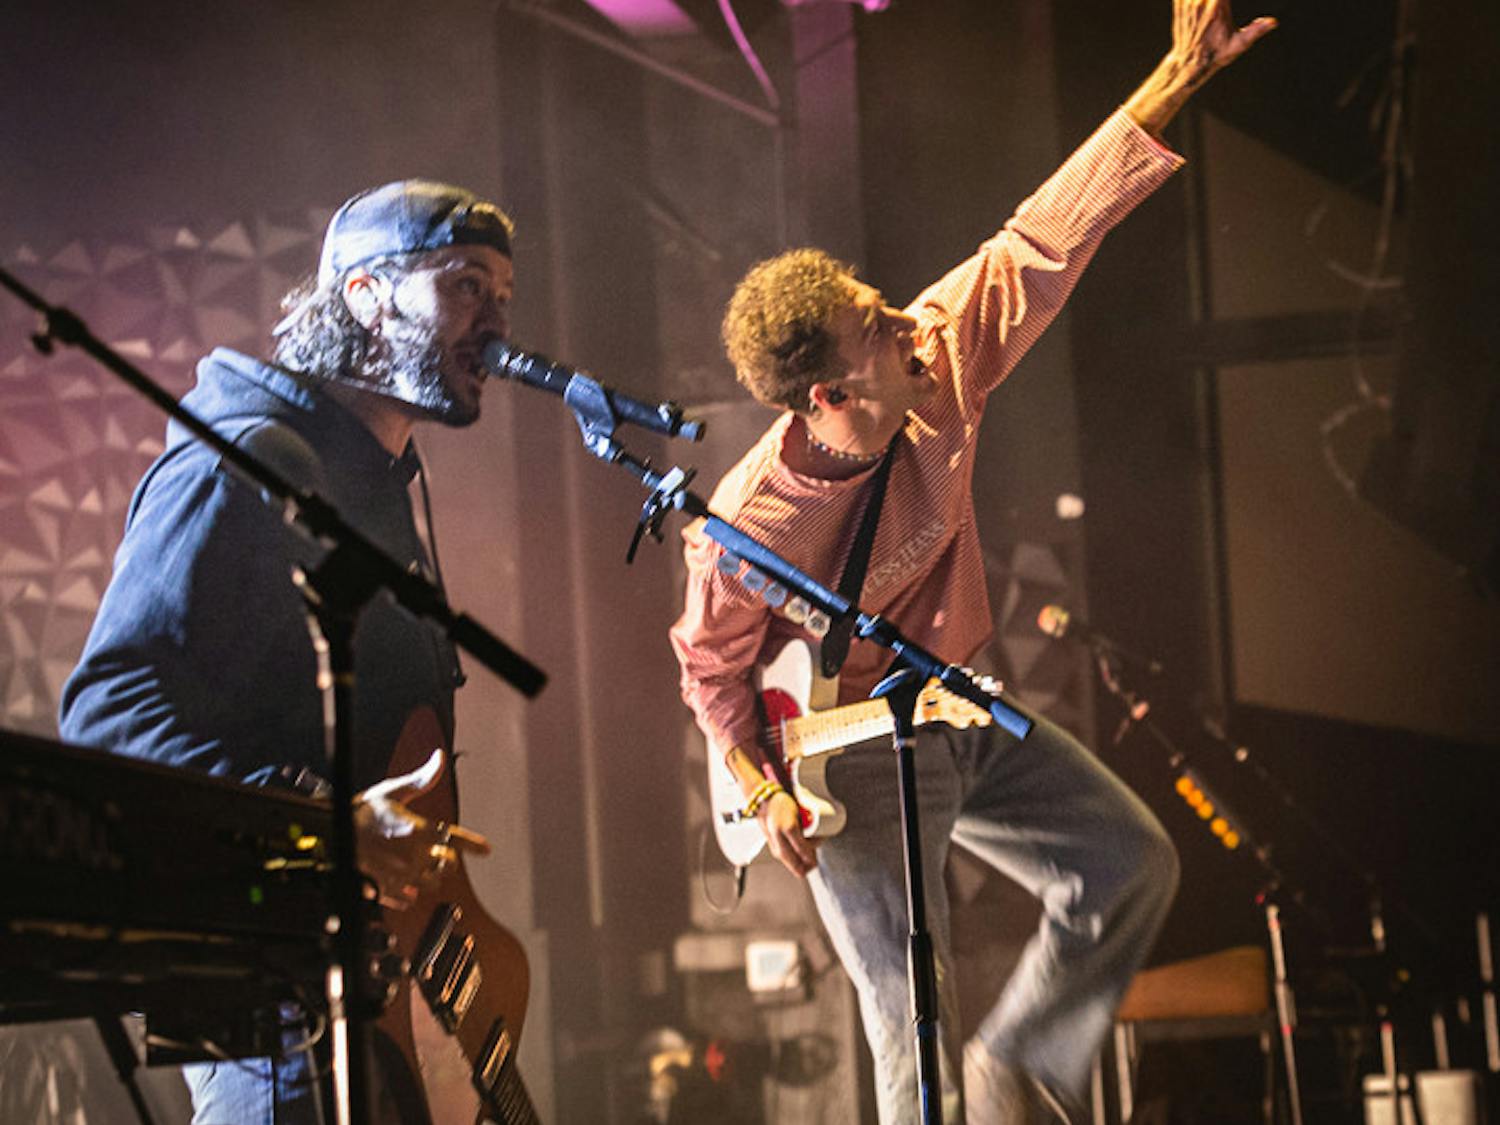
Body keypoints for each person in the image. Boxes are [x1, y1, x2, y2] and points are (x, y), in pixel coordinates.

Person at [669, 4, 1276, 1122]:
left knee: (1127, 863)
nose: (909, 319)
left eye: (883, 301)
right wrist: (761, 787)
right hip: (844, 764)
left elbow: (1045, 235)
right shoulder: (754, 522)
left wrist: (1173, 78)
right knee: (911, 1012)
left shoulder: (938, 356)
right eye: (875, 325)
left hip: (949, 706)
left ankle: (1026, 1064)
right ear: (832, 397)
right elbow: (709, 668)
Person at [59, 179, 517, 1124]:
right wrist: (325, 820)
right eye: (467, 285)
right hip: (268, 998)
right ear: (367, 296)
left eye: (503, 295)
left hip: (367, 992)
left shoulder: (374, 486)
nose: (496, 324)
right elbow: (108, 713)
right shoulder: (244, 463)